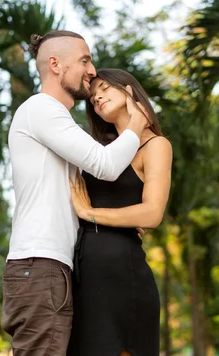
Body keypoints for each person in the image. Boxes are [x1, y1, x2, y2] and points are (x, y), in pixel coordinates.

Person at [1, 32, 149, 355]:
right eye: (84, 60)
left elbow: (77, 197)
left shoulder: (57, 122)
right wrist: (137, 124)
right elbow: (106, 165)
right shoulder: (42, 109)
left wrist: (119, 220)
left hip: (49, 268)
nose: (92, 70)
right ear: (55, 64)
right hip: (40, 266)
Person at [67, 68, 173, 356]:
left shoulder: (156, 145)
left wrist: (89, 213)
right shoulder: (97, 153)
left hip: (123, 275)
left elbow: (152, 214)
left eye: (104, 88)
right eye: (91, 98)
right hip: (82, 274)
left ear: (128, 90)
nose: (97, 97)